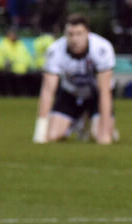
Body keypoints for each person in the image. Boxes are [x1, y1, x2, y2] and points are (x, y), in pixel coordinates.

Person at [33, 13, 117, 144]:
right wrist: (40, 131)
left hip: (95, 95)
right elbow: (48, 91)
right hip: (70, 93)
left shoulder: (102, 48)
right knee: (52, 135)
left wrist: (105, 134)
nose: (74, 39)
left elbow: (104, 92)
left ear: (87, 33)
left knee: (98, 135)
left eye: (79, 34)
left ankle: (102, 125)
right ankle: (76, 122)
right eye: (70, 34)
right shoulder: (55, 50)